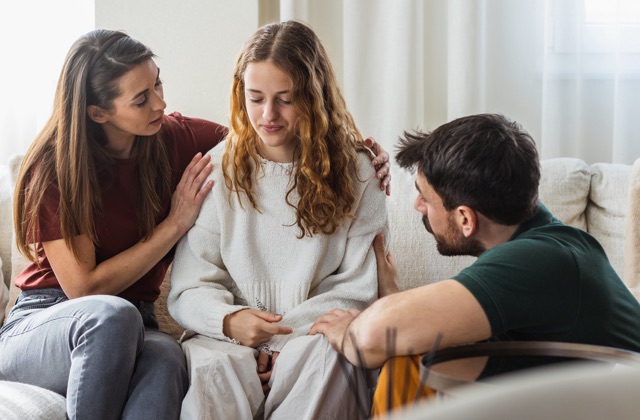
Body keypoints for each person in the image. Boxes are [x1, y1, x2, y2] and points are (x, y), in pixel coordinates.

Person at [0, 28, 392, 420]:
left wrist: (360, 153)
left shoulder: (176, 139)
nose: (160, 102)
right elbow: (84, 289)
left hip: (137, 319)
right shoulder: (55, 168)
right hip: (55, 317)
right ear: (99, 113)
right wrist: (174, 224)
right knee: (113, 318)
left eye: (157, 84)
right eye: (141, 99)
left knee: (168, 359)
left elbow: (267, 146)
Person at [311, 113, 640, 413]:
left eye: (425, 196)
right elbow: (426, 342)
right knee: (419, 360)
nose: (417, 206)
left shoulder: (536, 262)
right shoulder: (552, 248)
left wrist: (345, 330)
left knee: (406, 363)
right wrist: (392, 294)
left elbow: (370, 338)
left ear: (465, 218)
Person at [167, 20, 389, 419]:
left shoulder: (359, 171)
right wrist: (232, 321)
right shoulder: (218, 169)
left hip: (315, 335)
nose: (268, 115)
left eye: (285, 99)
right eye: (255, 98)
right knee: (214, 369)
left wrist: (278, 341)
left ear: (314, 96)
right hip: (227, 337)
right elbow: (188, 288)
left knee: (327, 360)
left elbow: (358, 287)